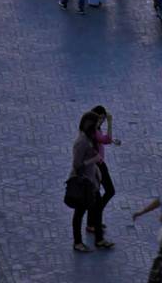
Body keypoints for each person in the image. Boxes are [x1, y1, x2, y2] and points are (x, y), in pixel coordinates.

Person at [66, 107, 117, 253]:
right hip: (83, 182)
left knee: (97, 206)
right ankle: (77, 242)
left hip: (92, 180)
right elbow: (77, 165)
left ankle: (99, 239)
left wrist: (96, 171)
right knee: (79, 212)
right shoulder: (81, 142)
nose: (97, 128)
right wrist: (93, 161)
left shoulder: (89, 139)